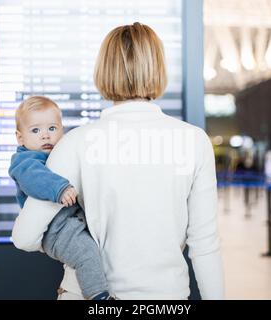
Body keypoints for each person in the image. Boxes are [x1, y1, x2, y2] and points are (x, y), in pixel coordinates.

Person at [12, 22, 224, 300]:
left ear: (103, 71)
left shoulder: (74, 143)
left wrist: (71, 244)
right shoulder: (195, 141)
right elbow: (205, 245)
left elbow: (24, 236)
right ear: (158, 68)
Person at [9, 96, 114, 300]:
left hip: (70, 223)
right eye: (35, 130)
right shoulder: (25, 161)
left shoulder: (61, 153)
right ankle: (98, 296)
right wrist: (60, 188)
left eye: (52, 128)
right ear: (20, 138)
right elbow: (35, 178)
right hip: (56, 230)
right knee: (86, 255)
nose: (45, 136)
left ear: (62, 130)